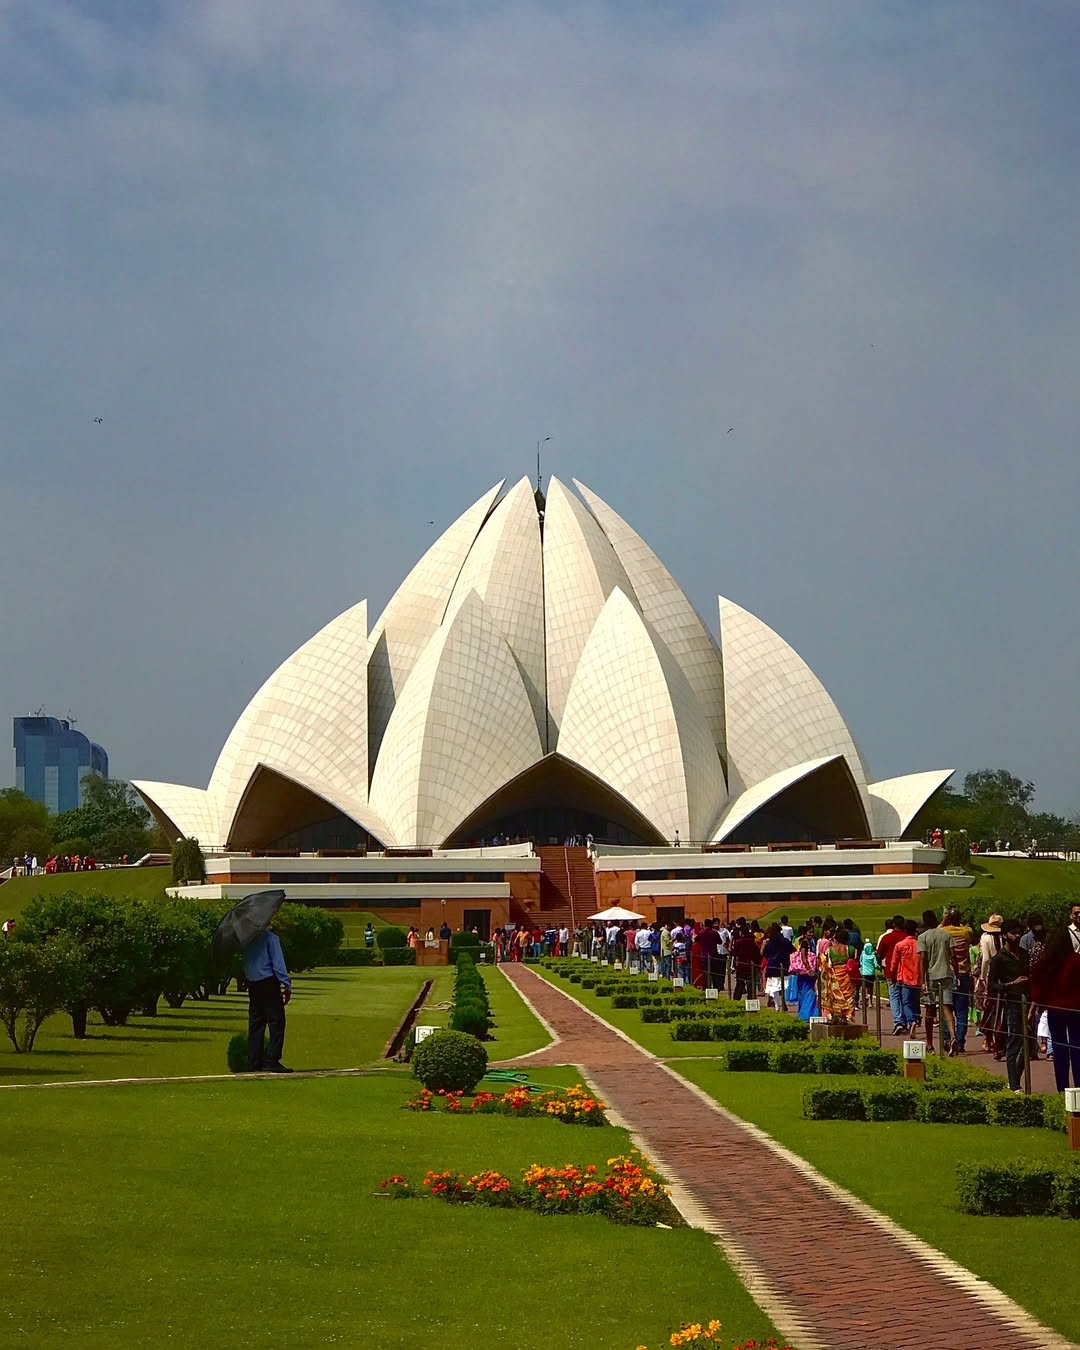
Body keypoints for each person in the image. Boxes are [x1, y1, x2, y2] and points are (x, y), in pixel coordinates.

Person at [1029, 915, 1080, 1090]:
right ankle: (1078, 1086)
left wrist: (1041, 1002)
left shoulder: (1046, 962)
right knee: (1077, 1047)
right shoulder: (1075, 960)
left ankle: (1062, 1088)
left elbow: (1036, 982)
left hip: (1055, 1008)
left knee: (1059, 1048)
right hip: (1075, 1008)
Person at [988, 919, 1031, 1091]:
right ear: (1005, 935)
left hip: (1027, 1003)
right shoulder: (999, 959)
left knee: (1028, 1044)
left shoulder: (1024, 954)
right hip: (1012, 1003)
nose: (1017, 936)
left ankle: (1015, 1080)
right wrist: (1011, 984)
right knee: (1014, 1042)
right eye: (1013, 933)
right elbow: (992, 985)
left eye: (1019, 933)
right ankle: (1014, 1085)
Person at [243, 927, 292, 1073]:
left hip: (253, 983)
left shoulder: (248, 939)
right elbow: (278, 964)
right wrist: (286, 984)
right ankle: (272, 1060)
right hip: (268, 982)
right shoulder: (270, 938)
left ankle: (254, 1061)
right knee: (276, 1021)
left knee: (256, 1023)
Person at [917, 909, 957, 1054]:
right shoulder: (946, 935)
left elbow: (923, 958)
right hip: (946, 973)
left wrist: (922, 980)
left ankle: (929, 1043)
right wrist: (957, 974)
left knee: (930, 1009)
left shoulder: (923, 937)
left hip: (931, 975)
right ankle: (952, 1036)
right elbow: (953, 955)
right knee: (947, 1007)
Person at [939, 907, 974, 1055]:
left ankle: (948, 1038)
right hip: (963, 972)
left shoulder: (943, 931)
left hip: (948, 972)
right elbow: (970, 934)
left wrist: (944, 921)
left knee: (946, 1008)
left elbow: (937, 929)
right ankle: (959, 1040)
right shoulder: (966, 932)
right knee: (962, 1010)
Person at [975, 914, 1005, 1055]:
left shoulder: (985, 937)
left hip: (990, 975)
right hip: (1003, 975)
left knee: (988, 1007)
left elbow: (986, 959)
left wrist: (982, 976)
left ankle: (988, 1040)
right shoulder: (1003, 937)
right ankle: (998, 1040)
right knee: (1000, 1009)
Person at [876, 915, 909, 1035]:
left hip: (891, 971)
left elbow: (879, 954)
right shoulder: (907, 937)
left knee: (894, 997)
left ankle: (898, 1021)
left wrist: (880, 964)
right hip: (906, 972)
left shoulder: (887, 937)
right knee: (904, 998)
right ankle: (905, 1021)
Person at [819, 926, 855, 1023]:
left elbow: (823, 962)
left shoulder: (830, 950)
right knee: (848, 997)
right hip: (847, 978)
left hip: (834, 977)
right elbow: (853, 963)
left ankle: (836, 1017)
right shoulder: (850, 949)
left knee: (835, 998)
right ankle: (847, 1016)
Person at [893, 920, 921, 1035]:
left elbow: (894, 963)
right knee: (915, 1002)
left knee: (906, 1002)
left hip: (905, 977)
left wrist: (894, 977)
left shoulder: (900, 945)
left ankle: (911, 1020)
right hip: (918, 977)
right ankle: (915, 1018)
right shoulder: (920, 944)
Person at [761, 924, 794, 1010]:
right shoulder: (786, 941)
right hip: (784, 966)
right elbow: (792, 950)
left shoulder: (769, 943)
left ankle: (776, 1006)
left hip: (772, 967)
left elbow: (765, 954)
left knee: (774, 988)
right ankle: (783, 1001)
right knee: (784, 986)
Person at [788, 934, 820, 1019]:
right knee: (808, 994)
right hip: (806, 974)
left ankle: (805, 1013)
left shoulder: (810, 942)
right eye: (810, 932)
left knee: (804, 994)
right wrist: (809, 969)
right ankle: (806, 1014)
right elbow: (803, 958)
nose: (811, 934)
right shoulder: (805, 943)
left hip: (804, 974)